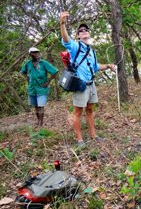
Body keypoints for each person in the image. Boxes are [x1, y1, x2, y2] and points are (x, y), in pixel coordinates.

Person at [60, 11, 116, 146]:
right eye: (80, 31)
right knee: (78, 112)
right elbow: (66, 40)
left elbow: (95, 66)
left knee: (90, 110)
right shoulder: (75, 46)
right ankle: (79, 139)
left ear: (89, 33)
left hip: (91, 85)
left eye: (86, 30)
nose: (83, 31)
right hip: (80, 85)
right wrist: (62, 24)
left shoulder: (91, 51)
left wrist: (108, 66)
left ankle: (93, 135)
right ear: (78, 35)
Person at [20, 47, 59, 126]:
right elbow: (22, 72)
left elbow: (55, 71)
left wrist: (48, 81)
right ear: (30, 54)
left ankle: (41, 123)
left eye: (37, 52)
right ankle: (38, 120)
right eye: (34, 52)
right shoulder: (28, 64)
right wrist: (27, 78)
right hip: (32, 88)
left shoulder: (43, 63)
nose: (36, 54)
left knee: (41, 105)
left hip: (42, 88)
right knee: (36, 106)